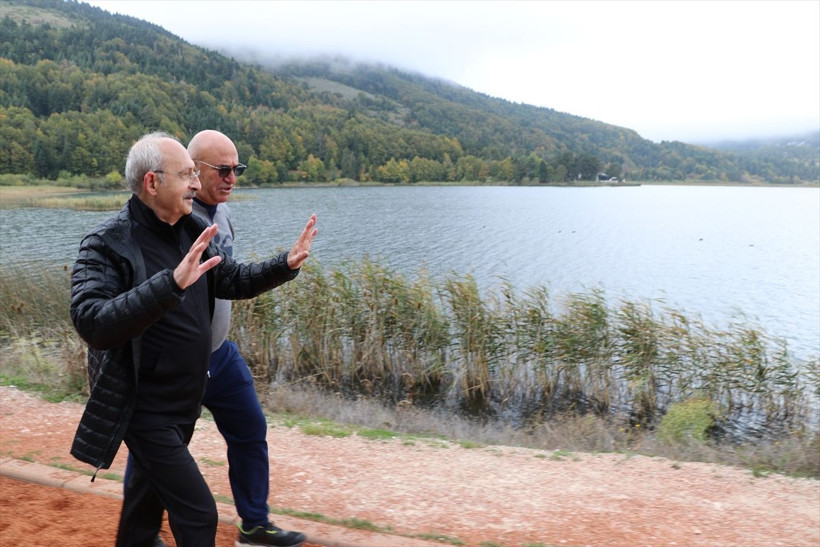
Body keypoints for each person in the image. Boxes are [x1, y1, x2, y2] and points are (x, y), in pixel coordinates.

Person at [69, 132, 317, 547]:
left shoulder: (192, 229)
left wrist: (285, 264)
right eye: (186, 175)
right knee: (198, 514)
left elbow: (231, 280)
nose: (195, 185)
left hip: (185, 399)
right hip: (144, 407)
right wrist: (171, 283)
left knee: (142, 515)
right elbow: (91, 322)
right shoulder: (106, 244)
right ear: (152, 183)